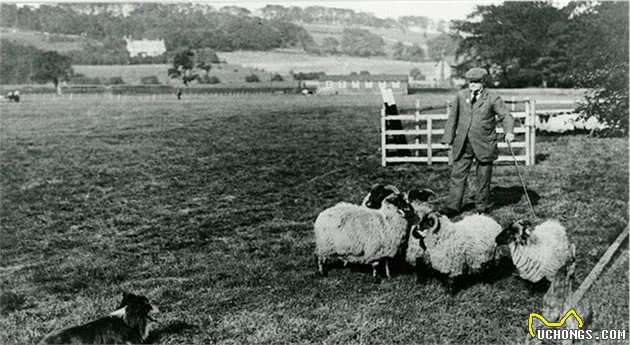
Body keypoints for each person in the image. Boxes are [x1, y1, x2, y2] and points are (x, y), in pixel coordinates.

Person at [440, 67, 515, 217]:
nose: (473, 85)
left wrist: (509, 132)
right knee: (458, 174)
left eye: (476, 82)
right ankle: (453, 206)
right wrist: (448, 138)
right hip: (463, 143)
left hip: (484, 144)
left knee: (483, 176)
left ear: (483, 83)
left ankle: (482, 205)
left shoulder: (492, 98)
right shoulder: (461, 96)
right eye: (470, 82)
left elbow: (506, 116)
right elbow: (452, 118)